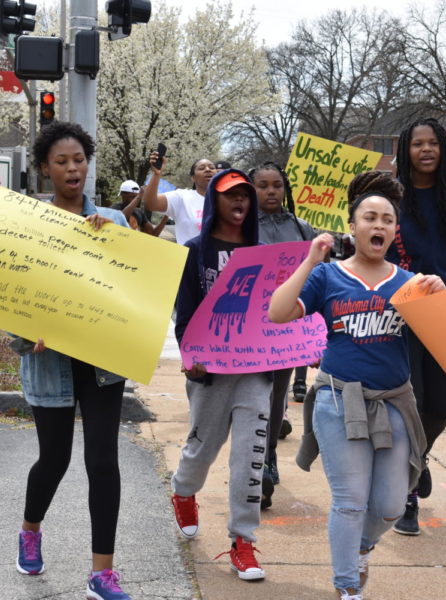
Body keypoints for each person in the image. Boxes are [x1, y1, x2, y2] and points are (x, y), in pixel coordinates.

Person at [269, 171, 445, 600]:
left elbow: (445, 337)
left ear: (395, 230)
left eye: (387, 219)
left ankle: (362, 546)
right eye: (370, 217)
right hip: (337, 400)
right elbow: (277, 312)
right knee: (349, 500)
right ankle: (347, 587)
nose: (378, 225)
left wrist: (442, 295)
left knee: (389, 504)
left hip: (394, 403)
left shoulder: (409, 283)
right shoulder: (328, 277)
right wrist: (310, 259)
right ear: (353, 226)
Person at [12, 121, 135, 600]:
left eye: (79, 160)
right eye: (61, 162)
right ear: (45, 169)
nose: (72, 169)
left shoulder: (114, 222)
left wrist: (112, 244)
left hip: (102, 361)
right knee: (55, 458)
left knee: (103, 460)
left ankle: (102, 572)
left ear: (89, 165)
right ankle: (30, 530)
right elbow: (11, 292)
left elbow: (133, 291)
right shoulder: (29, 222)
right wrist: (27, 336)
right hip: (49, 363)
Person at [170, 168, 272, 581]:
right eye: (231, 196)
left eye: (245, 195)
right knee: (201, 450)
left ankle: (242, 542)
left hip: (255, 371)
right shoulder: (196, 251)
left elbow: (277, 307)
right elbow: (185, 311)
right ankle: (182, 489)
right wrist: (189, 353)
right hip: (209, 372)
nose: (240, 202)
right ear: (215, 201)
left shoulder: (263, 252)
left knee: (250, 457)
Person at [387, 117, 446, 536]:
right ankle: (408, 497)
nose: (425, 150)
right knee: (413, 402)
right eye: (416, 144)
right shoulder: (392, 198)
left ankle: (419, 460)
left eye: (433, 143)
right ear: (405, 151)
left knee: (440, 407)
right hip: (399, 314)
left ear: (443, 149)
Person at [251, 161, 316, 505]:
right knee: (253, 394)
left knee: (278, 392)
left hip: (287, 324)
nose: (271, 191)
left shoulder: (301, 227)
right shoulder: (242, 226)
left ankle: (268, 454)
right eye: (263, 185)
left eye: (276, 185)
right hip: (251, 325)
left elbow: (315, 275)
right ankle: (252, 459)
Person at [141, 151, 216, 245]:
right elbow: (151, 204)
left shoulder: (228, 200)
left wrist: (238, 260)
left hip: (226, 259)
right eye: (201, 168)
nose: (208, 169)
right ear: (193, 178)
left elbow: (238, 237)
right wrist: (156, 174)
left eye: (212, 167)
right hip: (190, 259)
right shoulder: (182, 197)